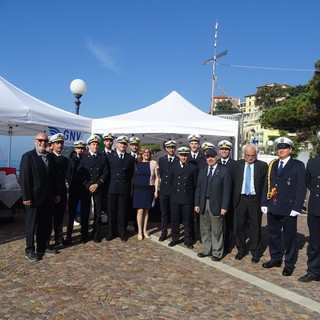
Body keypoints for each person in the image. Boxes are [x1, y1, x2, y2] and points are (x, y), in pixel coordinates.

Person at [261, 137, 306, 276]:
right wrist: (264, 202)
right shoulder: (273, 164)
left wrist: (297, 207)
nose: (281, 150)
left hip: (288, 208)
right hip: (273, 205)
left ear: (290, 150)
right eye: (279, 148)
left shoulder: (297, 165)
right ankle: (275, 258)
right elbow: (267, 184)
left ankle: (289, 263)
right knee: (273, 235)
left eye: (284, 148)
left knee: (290, 237)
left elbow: (301, 188)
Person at [19, 133, 60, 261]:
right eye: (40, 140)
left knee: (45, 224)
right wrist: (26, 197)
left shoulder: (51, 158)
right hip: (33, 198)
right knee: (31, 226)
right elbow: (24, 178)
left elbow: (54, 178)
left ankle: (42, 246)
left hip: (48, 198)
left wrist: (57, 193)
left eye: (45, 140)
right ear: (35, 141)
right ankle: (30, 250)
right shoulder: (28, 157)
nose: (43, 142)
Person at [194, 149, 232, 261]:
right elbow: (199, 188)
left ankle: (217, 252)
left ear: (216, 157)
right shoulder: (203, 170)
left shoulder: (224, 171)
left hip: (217, 204)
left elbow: (227, 191)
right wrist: (197, 203)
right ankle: (206, 249)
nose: (210, 159)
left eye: (212, 157)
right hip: (203, 203)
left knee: (216, 230)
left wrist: (224, 206)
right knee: (205, 228)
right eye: (207, 157)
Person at [233, 144, 267, 263]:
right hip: (241, 199)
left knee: (255, 226)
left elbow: (265, 186)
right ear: (244, 155)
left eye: (253, 156)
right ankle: (241, 249)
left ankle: (255, 252)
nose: (250, 158)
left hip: (255, 200)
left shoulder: (262, 166)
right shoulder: (237, 165)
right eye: (248, 156)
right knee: (240, 226)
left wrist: (264, 202)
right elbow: (233, 183)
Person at [78, 135, 109, 243]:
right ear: (89, 146)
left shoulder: (102, 158)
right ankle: (84, 233)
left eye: (96, 144)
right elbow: (81, 173)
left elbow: (106, 172)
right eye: (93, 144)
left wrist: (97, 184)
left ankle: (96, 232)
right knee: (85, 212)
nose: (95, 146)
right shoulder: (84, 158)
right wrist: (88, 185)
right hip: (86, 188)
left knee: (97, 212)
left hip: (98, 188)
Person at [107, 135, 135, 242]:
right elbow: (108, 173)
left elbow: (131, 173)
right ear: (117, 144)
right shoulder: (110, 156)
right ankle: (111, 232)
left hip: (124, 188)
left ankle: (122, 232)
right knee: (111, 211)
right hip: (112, 187)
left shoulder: (130, 158)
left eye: (124, 144)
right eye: (121, 143)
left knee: (123, 212)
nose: (123, 145)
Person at [169, 147, 198, 249]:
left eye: (185, 155)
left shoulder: (193, 168)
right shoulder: (174, 167)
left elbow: (195, 184)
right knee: (175, 219)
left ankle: (188, 240)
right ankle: (175, 238)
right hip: (176, 197)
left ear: (188, 156)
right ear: (179, 156)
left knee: (188, 220)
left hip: (187, 198)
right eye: (182, 155)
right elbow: (171, 181)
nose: (183, 157)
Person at [298, 153, 320, 282]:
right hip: (315, 206)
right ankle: (313, 271)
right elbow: (307, 181)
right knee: (315, 242)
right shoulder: (312, 162)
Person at [132, 146, 159, 240]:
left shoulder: (153, 163)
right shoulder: (137, 163)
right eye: (144, 152)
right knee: (140, 210)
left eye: (148, 152)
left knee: (147, 211)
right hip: (139, 189)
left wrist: (156, 190)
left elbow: (156, 178)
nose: (146, 154)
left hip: (149, 189)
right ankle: (139, 231)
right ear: (141, 154)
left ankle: (144, 230)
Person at [48, 133, 69, 247]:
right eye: (58, 143)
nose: (60, 145)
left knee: (60, 217)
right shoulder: (50, 158)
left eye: (61, 143)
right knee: (49, 218)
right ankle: (46, 240)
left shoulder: (65, 160)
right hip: (52, 193)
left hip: (62, 192)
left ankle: (59, 238)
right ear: (52, 145)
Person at [65, 140, 86, 244]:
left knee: (84, 213)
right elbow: (68, 175)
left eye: (82, 148)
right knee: (71, 213)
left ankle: (84, 234)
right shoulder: (71, 160)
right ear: (75, 149)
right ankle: (69, 235)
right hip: (74, 189)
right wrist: (72, 184)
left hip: (84, 189)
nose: (80, 150)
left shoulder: (87, 159)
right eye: (78, 148)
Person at [218, 140, 237, 254]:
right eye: (222, 149)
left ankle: (227, 244)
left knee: (229, 224)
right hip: (218, 198)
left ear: (230, 151)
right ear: (219, 151)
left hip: (229, 198)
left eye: (226, 149)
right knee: (218, 223)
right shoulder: (216, 163)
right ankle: (218, 243)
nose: (224, 151)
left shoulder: (234, 164)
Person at [158, 140, 179, 241]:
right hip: (164, 190)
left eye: (173, 147)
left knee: (174, 214)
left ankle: (175, 233)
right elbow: (161, 174)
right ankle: (164, 232)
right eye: (169, 147)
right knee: (164, 213)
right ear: (166, 149)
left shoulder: (178, 160)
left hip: (174, 191)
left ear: (175, 149)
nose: (171, 149)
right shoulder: (162, 160)